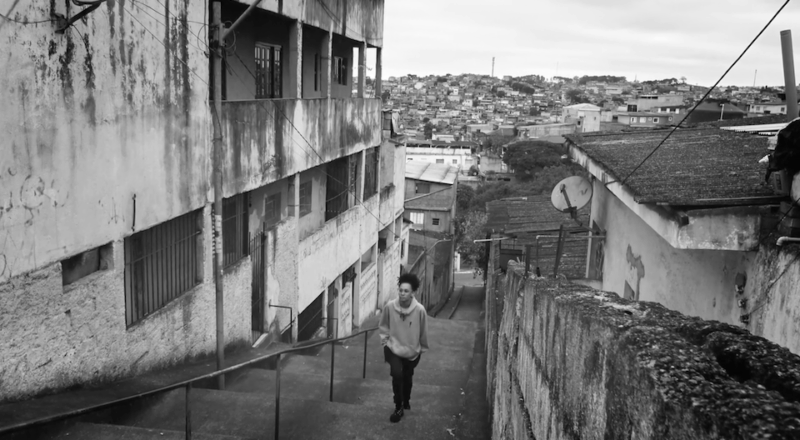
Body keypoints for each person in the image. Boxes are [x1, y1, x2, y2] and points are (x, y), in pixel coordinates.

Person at [379, 273, 429, 423]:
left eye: (406, 291)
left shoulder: (420, 310)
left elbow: (423, 331)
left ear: (413, 293)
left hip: (412, 352)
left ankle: (406, 400)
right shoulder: (390, 307)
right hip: (393, 348)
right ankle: (398, 407)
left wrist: (421, 348)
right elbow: (383, 325)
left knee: (407, 377)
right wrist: (385, 341)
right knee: (397, 374)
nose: (402, 293)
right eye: (400, 290)